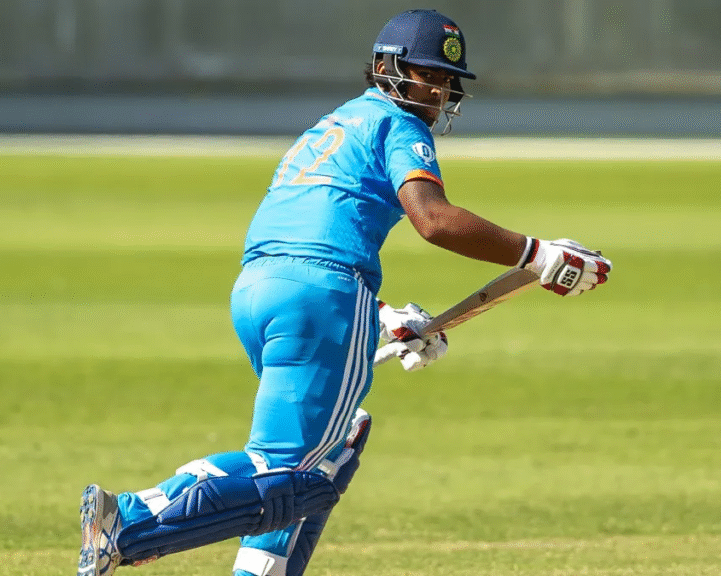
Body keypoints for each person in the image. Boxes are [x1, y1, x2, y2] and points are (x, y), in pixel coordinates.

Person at [76, 9, 612, 576]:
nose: (439, 91)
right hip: (324, 294)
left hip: (259, 290)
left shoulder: (334, 124)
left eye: (447, 80)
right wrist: (540, 256)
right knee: (295, 477)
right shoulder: (400, 126)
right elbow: (432, 220)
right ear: (386, 67)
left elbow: (307, 230)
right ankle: (129, 521)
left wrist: (380, 318)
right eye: (428, 74)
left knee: (335, 442)